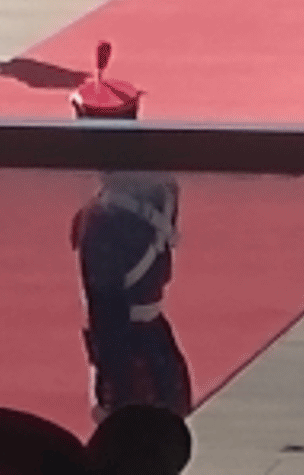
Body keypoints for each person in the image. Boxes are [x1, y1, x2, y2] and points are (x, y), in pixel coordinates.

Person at [68, 46, 191, 424]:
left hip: (130, 355)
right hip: (159, 340)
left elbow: (107, 308)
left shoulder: (101, 218)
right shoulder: (162, 183)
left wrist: (112, 379)